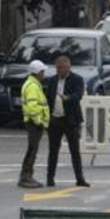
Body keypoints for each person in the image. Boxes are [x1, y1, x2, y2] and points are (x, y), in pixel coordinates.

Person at [42, 53, 90, 188]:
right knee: (53, 150)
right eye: (57, 68)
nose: (59, 71)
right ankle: (50, 178)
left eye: (62, 68)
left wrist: (67, 98)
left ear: (68, 67)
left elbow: (78, 95)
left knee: (75, 151)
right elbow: (47, 97)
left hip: (71, 119)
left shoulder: (77, 79)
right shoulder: (52, 80)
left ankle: (79, 178)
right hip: (55, 119)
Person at [17, 60, 50, 189]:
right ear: (38, 73)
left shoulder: (33, 84)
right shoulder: (32, 86)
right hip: (34, 123)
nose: (44, 75)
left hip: (33, 122)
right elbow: (32, 107)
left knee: (32, 150)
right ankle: (26, 177)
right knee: (32, 150)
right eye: (43, 72)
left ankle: (27, 176)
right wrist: (39, 121)